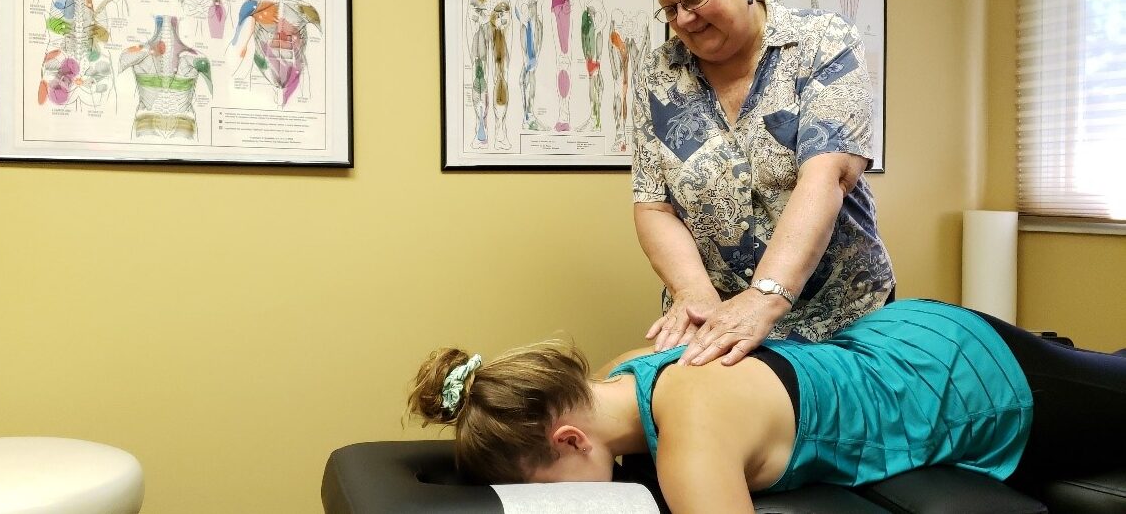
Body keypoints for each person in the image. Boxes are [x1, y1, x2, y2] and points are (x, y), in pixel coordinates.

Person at [408, 299, 1126, 514]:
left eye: (542, 492)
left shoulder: (693, 445)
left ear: (568, 438)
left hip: (965, 383)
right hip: (893, 338)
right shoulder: (620, 373)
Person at [630, 0, 894, 366]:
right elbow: (654, 206)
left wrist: (765, 296)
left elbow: (827, 176)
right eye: (670, 9)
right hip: (714, 322)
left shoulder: (822, 43)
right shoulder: (660, 74)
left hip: (839, 320)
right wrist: (694, 293)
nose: (683, 19)